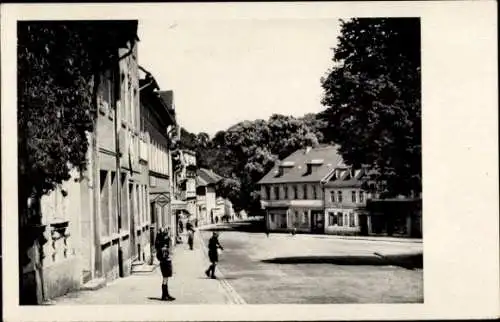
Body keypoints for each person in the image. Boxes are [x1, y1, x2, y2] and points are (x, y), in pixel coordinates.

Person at [155, 227, 175, 301]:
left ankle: (166, 295)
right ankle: (164, 296)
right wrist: (167, 257)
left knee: (166, 279)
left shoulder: (162, 245)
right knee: (165, 279)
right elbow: (165, 254)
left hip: (165, 261)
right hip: (164, 262)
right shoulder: (162, 247)